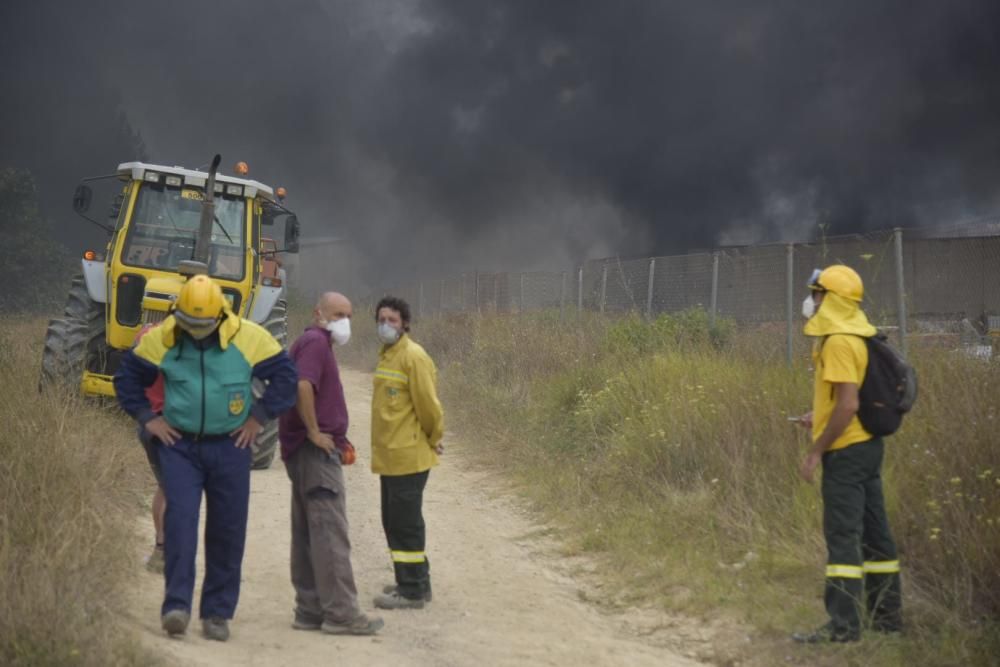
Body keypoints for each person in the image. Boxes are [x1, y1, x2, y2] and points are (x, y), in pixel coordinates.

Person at [114, 275, 298, 641]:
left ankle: (217, 613)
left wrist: (258, 417)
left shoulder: (249, 337)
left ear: (220, 315)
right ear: (177, 314)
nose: (195, 331)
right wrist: (149, 419)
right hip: (180, 446)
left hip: (230, 446)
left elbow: (286, 378)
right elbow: (127, 379)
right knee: (180, 523)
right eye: (189, 323)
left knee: (227, 530)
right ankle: (176, 607)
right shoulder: (162, 337)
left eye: (203, 325)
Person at [792, 265, 902, 643]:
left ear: (832, 299)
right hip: (868, 446)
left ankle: (843, 627)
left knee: (843, 538)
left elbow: (849, 404)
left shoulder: (838, 341)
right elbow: (843, 399)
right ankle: (887, 621)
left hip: (846, 453)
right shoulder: (858, 334)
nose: (811, 300)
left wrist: (816, 451)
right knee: (877, 536)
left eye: (817, 293)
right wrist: (817, 416)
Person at [278, 292, 384, 636]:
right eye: (338, 314)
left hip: (303, 452)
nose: (344, 322)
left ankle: (309, 609)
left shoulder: (312, 343)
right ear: (318, 313)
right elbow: (303, 385)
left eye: (348, 315)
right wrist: (314, 431)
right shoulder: (315, 343)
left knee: (308, 532)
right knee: (329, 531)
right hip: (315, 453)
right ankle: (341, 613)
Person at [369, 296, 444, 610]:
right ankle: (415, 581)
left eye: (392, 320)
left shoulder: (413, 356)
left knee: (405, 525)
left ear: (405, 324)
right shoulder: (388, 356)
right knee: (394, 521)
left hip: (408, 456)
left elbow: (429, 406)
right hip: (391, 457)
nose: (386, 325)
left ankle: (411, 591)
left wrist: (434, 437)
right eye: (381, 320)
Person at [134, 323, 167, 573]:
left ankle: (160, 551)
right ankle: (165, 553)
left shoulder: (145, 334)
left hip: (147, 424)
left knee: (165, 488)